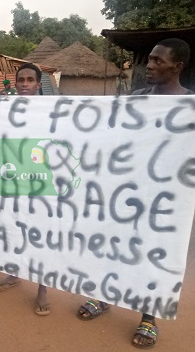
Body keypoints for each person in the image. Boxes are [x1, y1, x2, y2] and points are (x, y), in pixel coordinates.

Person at [76, 38, 193, 350]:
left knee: (155, 257)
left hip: (165, 203)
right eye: (150, 60)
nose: (149, 66)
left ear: (177, 66)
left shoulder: (190, 107)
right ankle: (104, 297)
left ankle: (148, 317)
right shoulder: (137, 98)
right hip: (124, 195)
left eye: (158, 61)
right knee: (112, 247)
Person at [0, 63, 50, 316]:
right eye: (21, 80)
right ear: (15, 84)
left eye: (30, 80)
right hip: (13, 181)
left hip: (42, 183)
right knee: (15, 229)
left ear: (38, 84)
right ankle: (15, 273)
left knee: (41, 235)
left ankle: (43, 288)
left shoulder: (53, 111)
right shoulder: (6, 110)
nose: (25, 84)